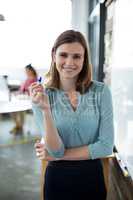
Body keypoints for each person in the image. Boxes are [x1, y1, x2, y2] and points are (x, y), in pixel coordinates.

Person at [30, 30, 114, 200]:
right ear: (54, 55)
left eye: (76, 56)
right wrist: (46, 110)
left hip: (92, 179)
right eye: (63, 55)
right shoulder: (41, 96)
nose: (69, 62)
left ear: (84, 59)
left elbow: (105, 146)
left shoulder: (101, 92)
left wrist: (57, 156)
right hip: (57, 181)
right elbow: (56, 149)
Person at [10, 64, 37, 134]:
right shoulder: (27, 79)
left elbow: (33, 91)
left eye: (27, 70)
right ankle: (18, 125)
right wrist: (16, 93)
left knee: (19, 109)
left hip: (29, 99)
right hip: (22, 98)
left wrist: (26, 93)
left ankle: (19, 126)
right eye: (25, 71)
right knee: (13, 109)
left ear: (31, 70)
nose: (26, 72)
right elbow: (22, 90)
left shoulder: (34, 80)